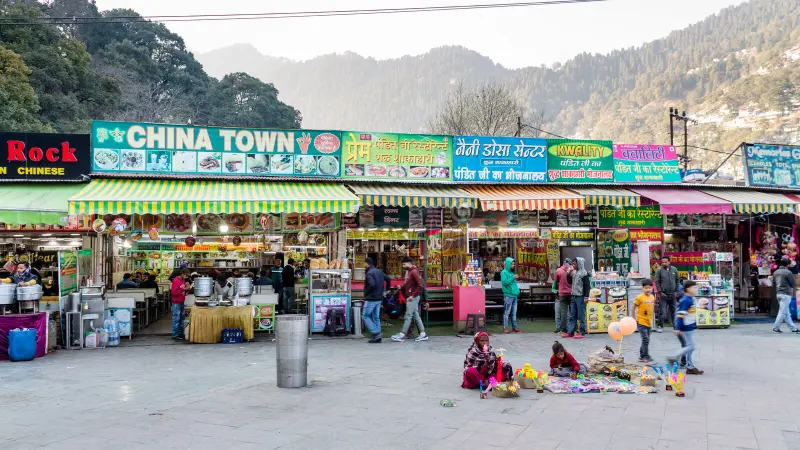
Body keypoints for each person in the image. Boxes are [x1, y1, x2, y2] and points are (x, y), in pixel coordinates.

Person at [669, 280, 703, 375]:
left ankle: (690, 367)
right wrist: (678, 328)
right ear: (688, 289)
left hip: (690, 326)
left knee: (690, 347)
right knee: (691, 346)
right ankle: (674, 357)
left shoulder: (690, 299)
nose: (696, 289)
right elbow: (680, 315)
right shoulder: (686, 300)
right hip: (686, 327)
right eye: (695, 287)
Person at [392, 257, 428, 342]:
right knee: (416, 316)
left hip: (412, 298)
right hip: (413, 297)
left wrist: (413, 295)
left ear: (409, 263)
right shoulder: (411, 272)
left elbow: (420, 285)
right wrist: (401, 287)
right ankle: (423, 333)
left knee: (408, 316)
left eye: (404, 264)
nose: (403, 266)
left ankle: (402, 334)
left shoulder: (414, 272)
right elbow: (408, 283)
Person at [363, 257, 391, 343]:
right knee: (376, 317)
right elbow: (389, 279)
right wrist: (387, 290)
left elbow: (372, 284)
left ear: (366, 264)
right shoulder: (380, 271)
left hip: (371, 298)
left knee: (365, 316)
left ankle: (375, 333)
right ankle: (377, 337)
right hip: (379, 298)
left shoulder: (369, 273)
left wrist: (366, 292)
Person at [632, 279, 656, 363]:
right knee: (645, 339)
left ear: (652, 288)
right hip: (641, 321)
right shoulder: (639, 297)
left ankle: (642, 355)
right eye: (646, 288)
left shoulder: (652, 297)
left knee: (646, 339)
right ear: (642, 288)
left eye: (649, 288)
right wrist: (634, 318)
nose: (648, 289)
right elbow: (634, 307)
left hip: (648, 322)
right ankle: (645, 356)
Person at [772, 258, 799, 333]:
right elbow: (793, 284)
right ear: (787, 264)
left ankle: (793, 328)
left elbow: (773, 283)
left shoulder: (776, 272)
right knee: (782, 312)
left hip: (778, 293)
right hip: (786, 294)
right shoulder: (788, 272)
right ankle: (776, 327)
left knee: (786, 313)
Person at [654, 256, 680, 333]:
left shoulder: (674, 269)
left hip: (673, 294)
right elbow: (657, 282)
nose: (664, 263)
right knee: (662, 311)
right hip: (663, 294)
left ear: (669, 262)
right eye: (662, 262)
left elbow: (677, 280)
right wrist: (660, 292)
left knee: (674, 311)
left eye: (665, 262)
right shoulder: (659, 270)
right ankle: (660, 326)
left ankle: (675, 326)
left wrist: (676, 291)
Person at [567, 257, 589, 339]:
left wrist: (586, 297)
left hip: (580, 296)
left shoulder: (584, 273)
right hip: (574, 295)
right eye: (572, 264)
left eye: (574, 264)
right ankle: (571, 331)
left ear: (579, 264)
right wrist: (568, 275)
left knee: (581, 315)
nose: (573, 265)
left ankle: (582, 332)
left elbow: (587, 286)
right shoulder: (575, 272)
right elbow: (570, 282)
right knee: (572, 315)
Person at [501, 256, 521, 334]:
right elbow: (505, 282)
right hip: (508, 295)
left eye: (513, 264)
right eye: (512, 264)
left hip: (514, 295)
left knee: (514, 312)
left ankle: (514, 327)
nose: (513, 265)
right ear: (508, 264)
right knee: (507, 312)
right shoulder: (503, 273)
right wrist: (513, 277)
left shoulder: (511, 273)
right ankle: (505, 327)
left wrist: (513, 277)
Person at [553, 258, 574, 335]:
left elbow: (556, 280)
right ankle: (572, 328)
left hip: (562, 294)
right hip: (572, 293)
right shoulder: (573, 270)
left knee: (563, 312)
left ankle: (563, 329)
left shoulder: (558, 270)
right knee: (572, 312)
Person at [170, 269, 191, 340]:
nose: (186, 277)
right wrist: (184, 289)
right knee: (176, 318)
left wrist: (186, 291)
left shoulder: (182, 280)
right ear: (182, 274)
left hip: (181, 301)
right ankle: (175, 334)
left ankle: (180, 333)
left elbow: (182, 289)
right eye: (186, 275)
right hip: (176, 302)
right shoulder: (176, 281)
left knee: (182, 318)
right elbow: (173, 292)